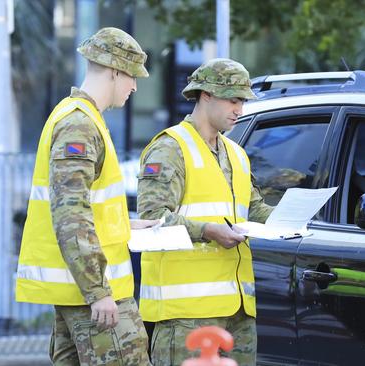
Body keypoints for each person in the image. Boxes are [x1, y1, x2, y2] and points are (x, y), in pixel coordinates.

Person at [15, 27, 155, 365]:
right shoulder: (80, 124)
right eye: (131, 76)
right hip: (97, 296)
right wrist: (98, 292)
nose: (135, 86)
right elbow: (71, 213)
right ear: (113, 71)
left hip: (80, 294)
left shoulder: (81, 118)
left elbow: (84, 208)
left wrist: (125, 224)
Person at [136, 58, 274, 366]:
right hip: (185, 317)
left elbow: (254, 209)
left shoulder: (236, 154)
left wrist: (292, 221)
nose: (239, 109)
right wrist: (208, 230)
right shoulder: (169, 149)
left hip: (238, 312)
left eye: (243, 101)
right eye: (233, 100)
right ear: (205, 95)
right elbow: (152, 219)